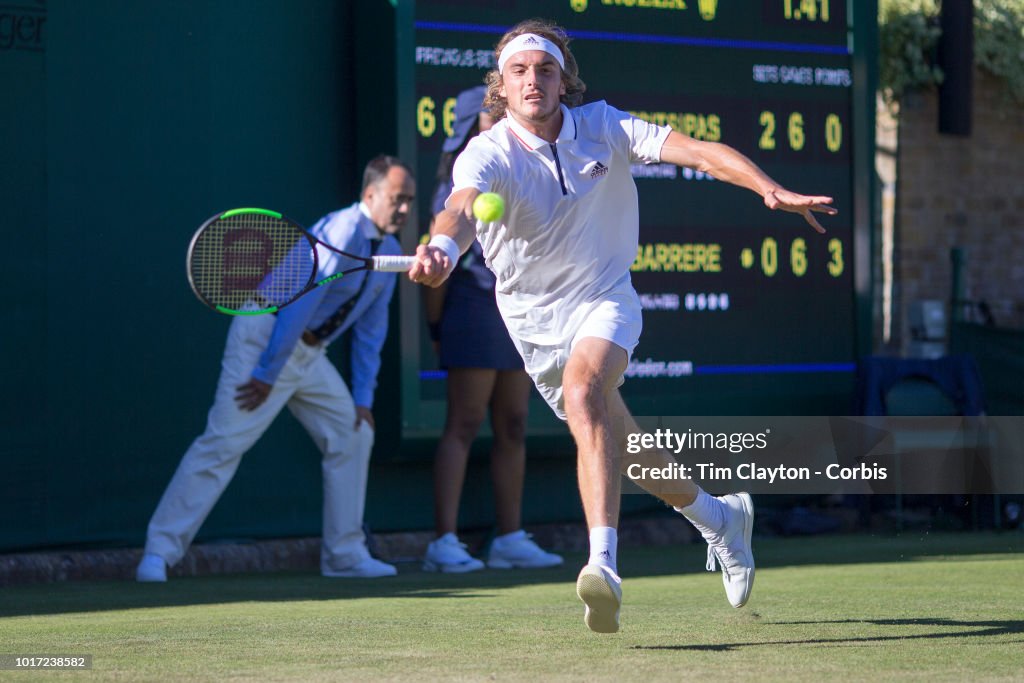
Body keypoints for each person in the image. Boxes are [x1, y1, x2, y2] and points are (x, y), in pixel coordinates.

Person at [409, 20, 837, 632]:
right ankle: (719, 516)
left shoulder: (604, 126)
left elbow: (698, 151)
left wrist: (766, 188)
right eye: (520, 72)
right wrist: (442, 252)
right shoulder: (488, 151)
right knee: (626, 449)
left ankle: (602, 567)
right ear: (501, 87)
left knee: (587, 392)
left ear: (564, 80)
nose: (534, 80)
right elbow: (458, 210)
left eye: (546, 69)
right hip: (533, 322)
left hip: (605, 297)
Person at [136, 155, 416, 582]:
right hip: (265, 338)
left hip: (309, 354)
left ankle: (344, 555)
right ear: (370, 194)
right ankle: (158, 553)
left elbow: (371, 332)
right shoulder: (341, 232)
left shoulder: (392, 250)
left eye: (410, 201)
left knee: (354, 432)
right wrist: (267, 372)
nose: (404, 210)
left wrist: (362, 398)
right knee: (223, 444)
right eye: (398, 199)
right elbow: (297, 304)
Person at [421, 85, 562, 573]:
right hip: (474, 308)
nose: (498, 121)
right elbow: (439, 268)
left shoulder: (523, 167)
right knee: (463, 421)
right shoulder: (456, 187)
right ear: (468, 127)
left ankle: (509, 537)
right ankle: (443, 542)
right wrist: (438, 328)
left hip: (517, 308)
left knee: (514, 425)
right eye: (488, 116)